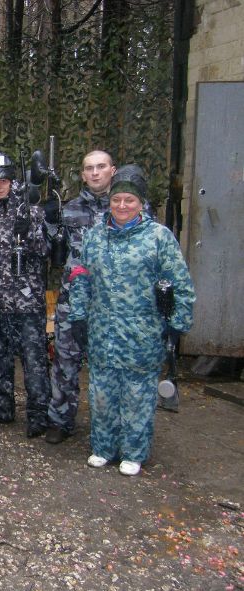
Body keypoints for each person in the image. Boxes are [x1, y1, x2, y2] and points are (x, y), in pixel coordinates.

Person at [69, 165, 194, 476]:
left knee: (138, 395)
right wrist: (78, 315)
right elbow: (82, 278)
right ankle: (103, 447)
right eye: (116, 200)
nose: (122, 206)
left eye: (129, 201)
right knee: (102, 392)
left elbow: (180, 283)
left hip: (142, 333)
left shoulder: (158, 237)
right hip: (102, 331)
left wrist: (178, 324)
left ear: (141, 204)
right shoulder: (96, 237)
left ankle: (134, 451)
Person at [45, 150, 124, 444]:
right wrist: (50, 220)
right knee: (65, 360)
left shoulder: (126, 207)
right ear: (82, 174)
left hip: (113, 304)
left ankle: (110, 426)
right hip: (71, 299)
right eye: (89, 168)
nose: (95, 173)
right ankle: (60, 420)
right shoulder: (71, 209)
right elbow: (51, 248)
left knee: (109, 366)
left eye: (101, 167)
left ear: (112, 170)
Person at [0, 152, 50, 437]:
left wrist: (29, 233)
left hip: (27, 303)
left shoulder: (31, 210)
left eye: (3, 181)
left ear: (12, 181)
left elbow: (46, 252)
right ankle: (2, 409)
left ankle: (38, 415)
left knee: (33, 362)